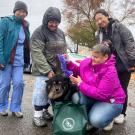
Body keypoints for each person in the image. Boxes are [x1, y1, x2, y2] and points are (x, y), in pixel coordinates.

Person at [66, 44, 126, 131]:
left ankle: (108, 119)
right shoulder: (88, 62)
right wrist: (68, 62)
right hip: (96, 97)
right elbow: (79, 71)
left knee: (96, 120)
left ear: (105, 57)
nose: (92, 58)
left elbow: (102, 94)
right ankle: (91, 116)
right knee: (77, 98)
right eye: (92, 55)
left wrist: (80, 84)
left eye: (96, 57)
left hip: (111, 101)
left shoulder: (110, 72)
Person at [94, 9, 135, 124]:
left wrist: (132, 62)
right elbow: (99, 49)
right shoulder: (99, 33)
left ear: (107, 16)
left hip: (122, 64)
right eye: (97, 20)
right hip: (109, 66)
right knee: (110, 89)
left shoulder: (119, 27)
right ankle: (112, 111)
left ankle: (122, 113)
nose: (99, 21)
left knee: (122, 89)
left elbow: (129, 43)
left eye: (101, 18)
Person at [31, 7, 67, 127]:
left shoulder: (61, 33)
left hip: (58, 70)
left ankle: (45, 111)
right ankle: (37, 115)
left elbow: (64, 49)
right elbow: (36, 52)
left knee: (53, 92)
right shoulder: (39, 32)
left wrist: (65, 59)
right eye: (51, 21)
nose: (53, 24)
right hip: (44, 70)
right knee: (41, 90)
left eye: (56, 22)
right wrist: (47, 70)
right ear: (46, 20)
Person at [0, 1, 30, 118]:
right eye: (20, 11)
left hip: (19, 61)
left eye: (24, 12)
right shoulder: (5, 21)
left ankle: (16, 108)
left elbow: (27, 44)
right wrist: (1, 59)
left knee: (19, 83)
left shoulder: (25, 25)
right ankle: (2, 106)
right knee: (4, 85)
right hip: (6, 60)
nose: (22, 13)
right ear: (15, 11)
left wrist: (28, 59)